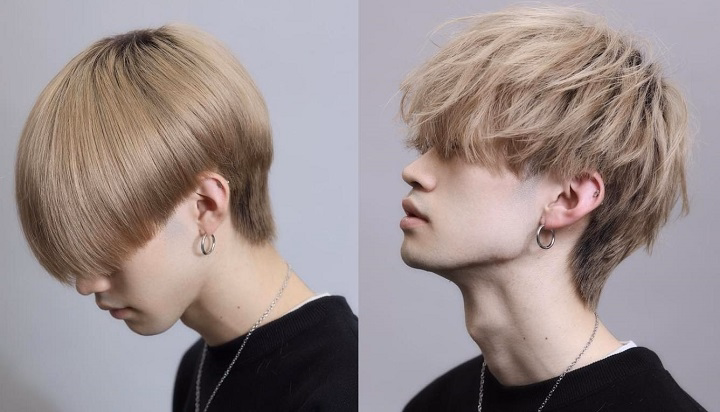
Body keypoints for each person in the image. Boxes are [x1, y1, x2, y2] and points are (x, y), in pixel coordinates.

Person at [15, 25, 357, 411]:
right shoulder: (197, 367)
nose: (86, 283)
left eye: (105, 244)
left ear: (206, 206)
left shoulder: (340, 385)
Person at [398, 6, 705, 412]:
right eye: (426, 148)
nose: (414, 172)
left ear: (568, 199)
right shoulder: (435, 403)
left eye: (456, 150)